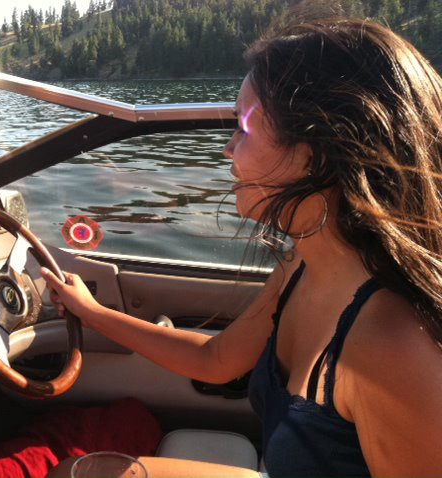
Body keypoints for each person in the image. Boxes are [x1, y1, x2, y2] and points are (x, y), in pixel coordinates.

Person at [42, 17, 442, 477]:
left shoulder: (393, 345)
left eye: (245, 129)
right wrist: (90, 312)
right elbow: (214, 360)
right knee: (75, 471)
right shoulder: (302, 264)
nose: (228, 149)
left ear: (316, 152)